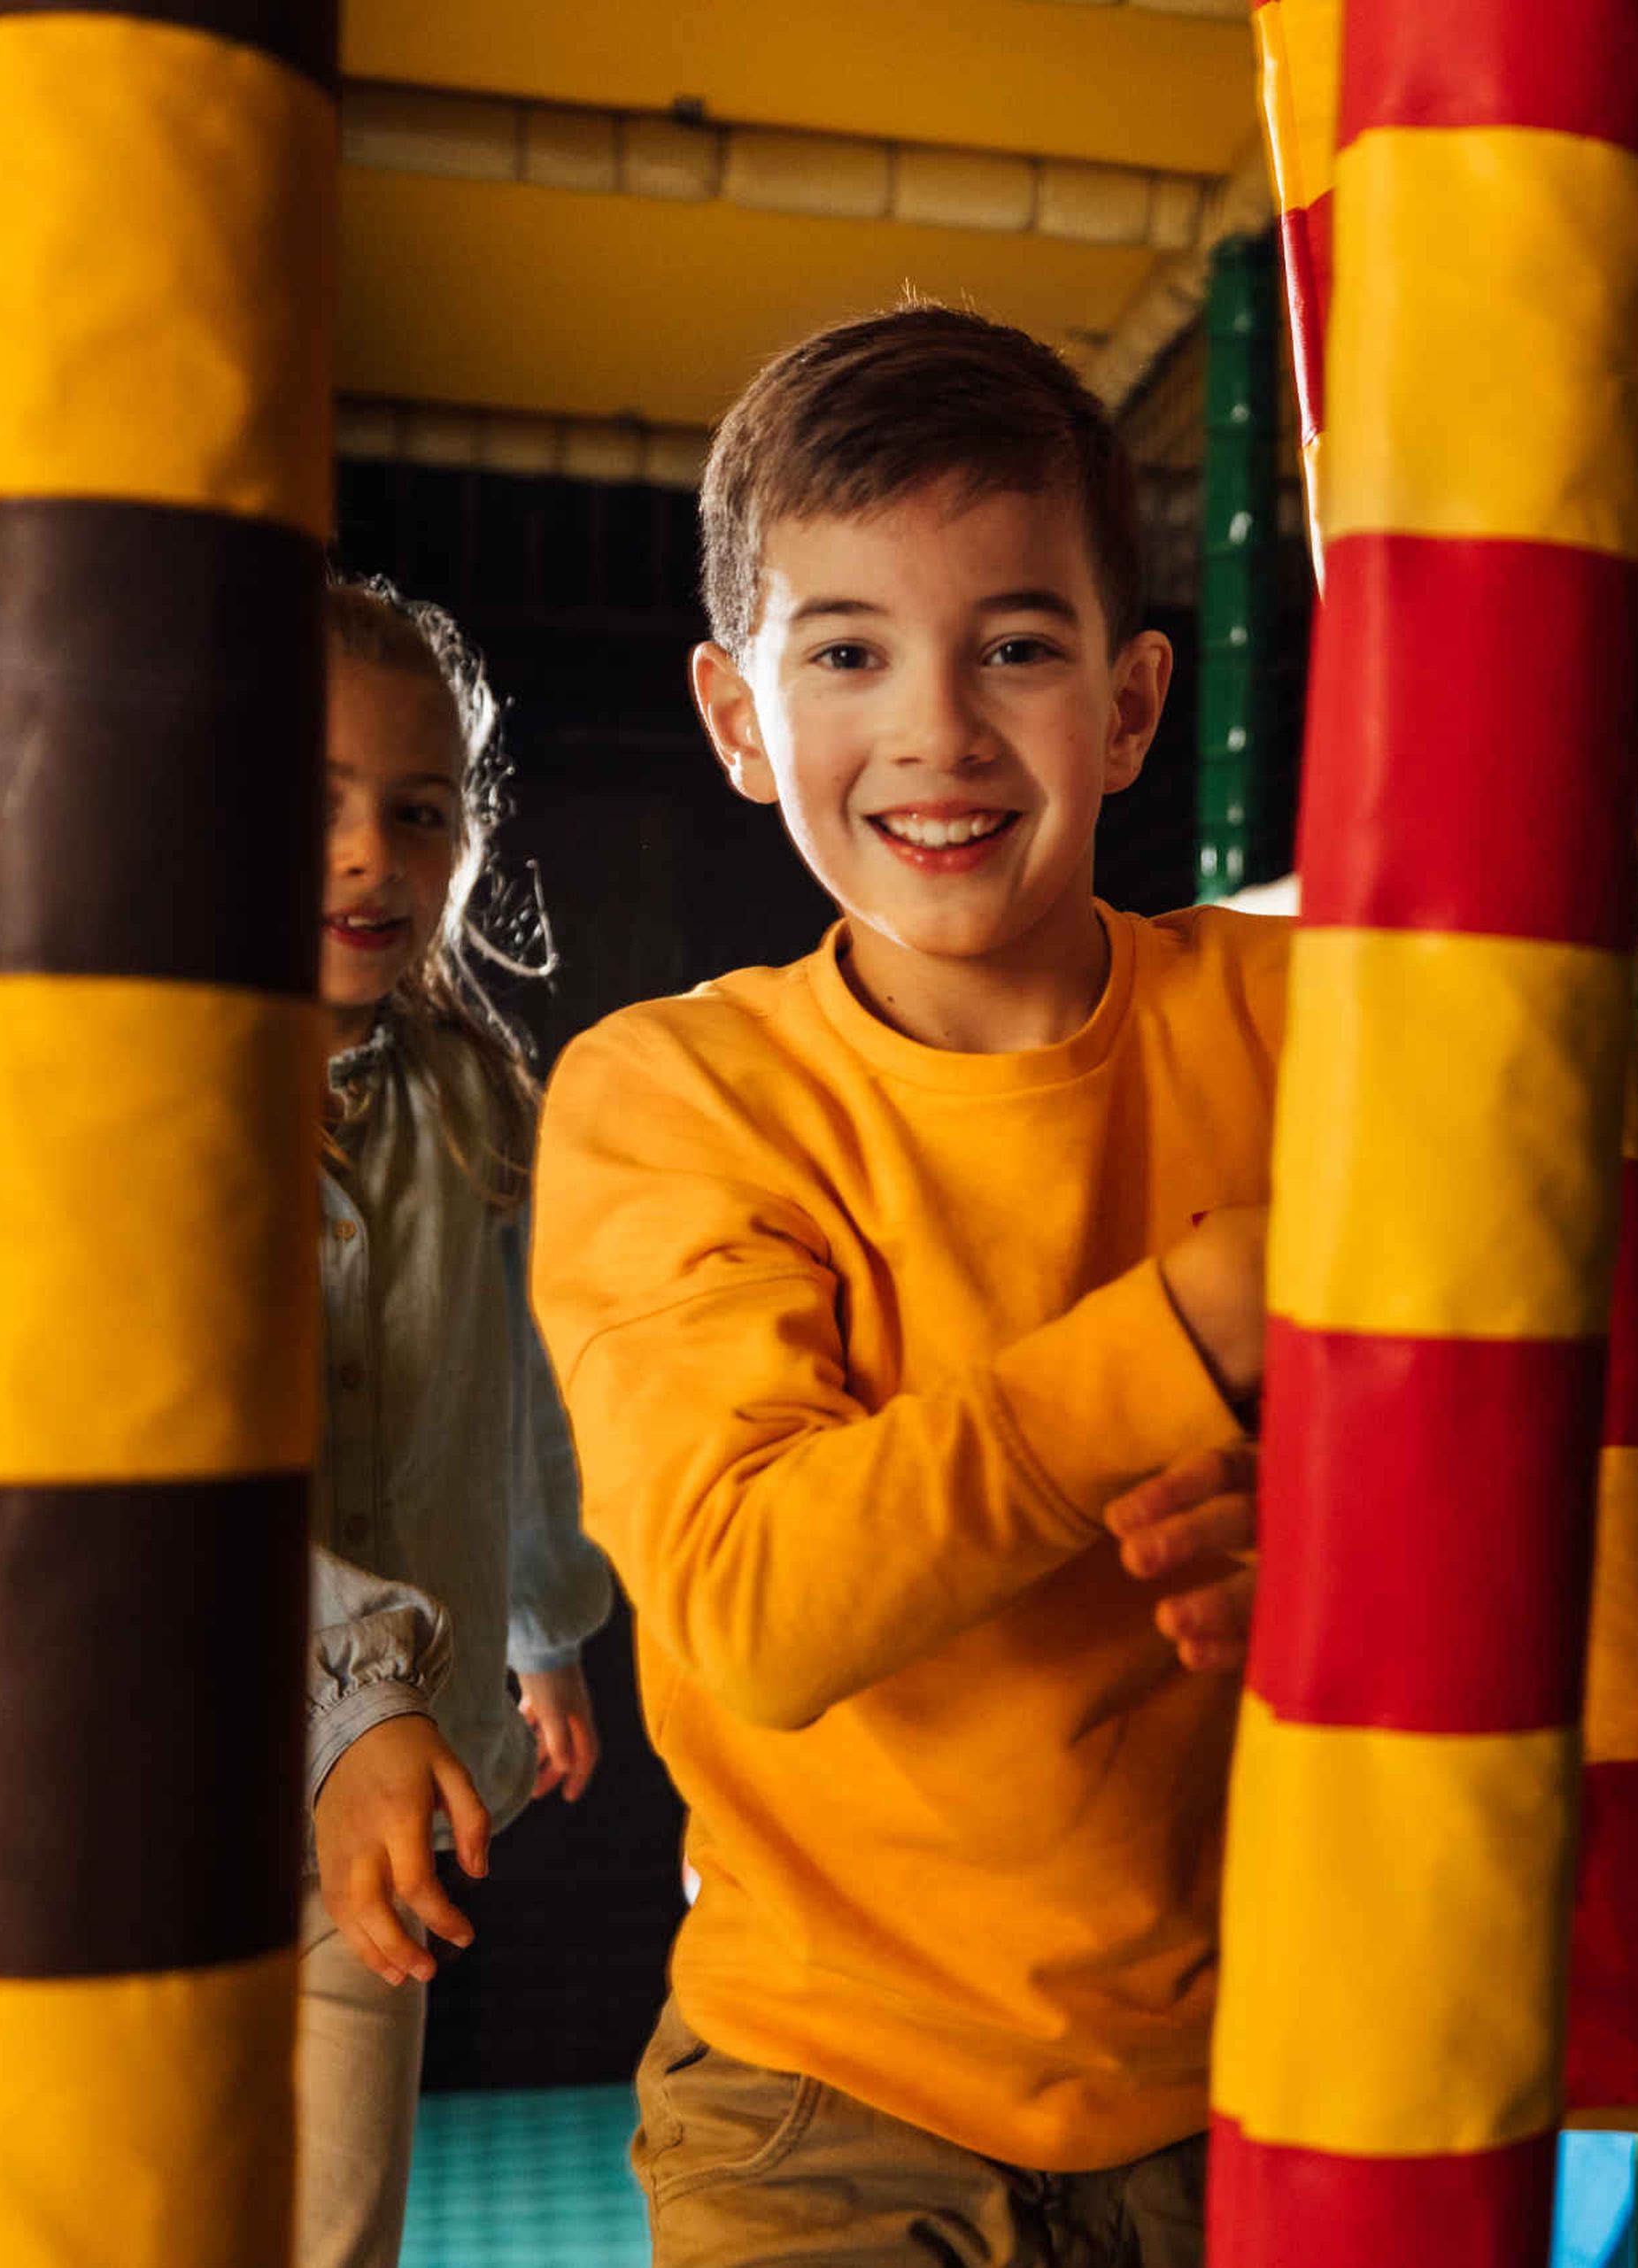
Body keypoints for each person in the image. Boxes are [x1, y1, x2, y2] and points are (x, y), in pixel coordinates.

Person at [529, 305, 1278, 2268]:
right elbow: (762, 1606)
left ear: (1127, 706)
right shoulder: (679, 1096)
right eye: (846, 651)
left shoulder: (1303, 1028)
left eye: (1014, 647)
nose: (938, 730)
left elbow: (1538, 1496)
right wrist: (1203, 1331)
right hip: (824, 2115)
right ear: (738, 719)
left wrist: (1353, 1549)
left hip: (1265, 2078)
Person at [298, 573, 620, 2268]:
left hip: (392, 1800)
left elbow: (527, 1385)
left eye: (417, 815)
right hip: (173, 1774)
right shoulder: (142, 1086)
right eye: (316, 804)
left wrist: (545, 1621)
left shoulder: (482, 1096)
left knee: (333, 2226)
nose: (371, 857)